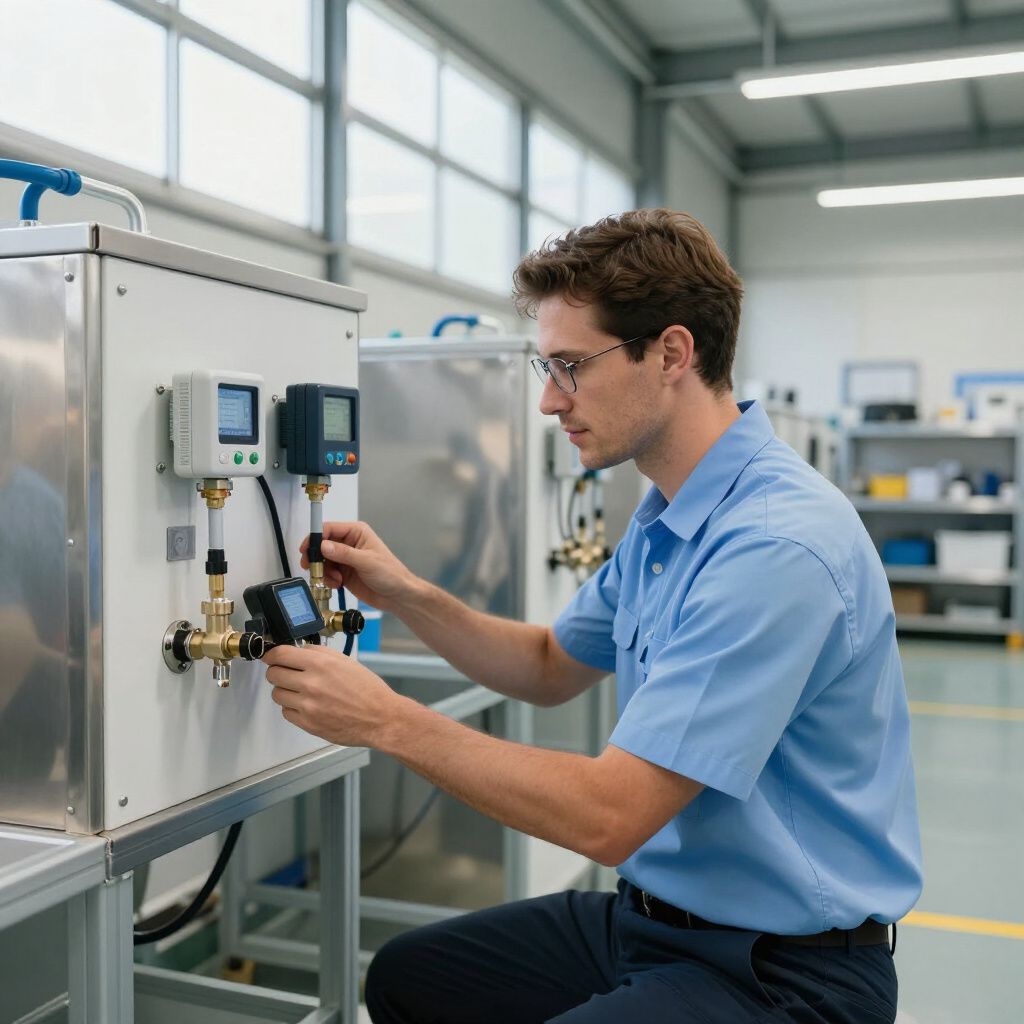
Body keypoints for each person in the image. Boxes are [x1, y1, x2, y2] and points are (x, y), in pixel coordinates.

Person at [263, 209, 922, 1023]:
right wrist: (403, 592)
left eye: (570, 367)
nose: (547, 401)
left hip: (783, 973)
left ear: (672, 354)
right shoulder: (667, 519)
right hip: (652, 924)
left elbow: (609, 815)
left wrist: (386, 721)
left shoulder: (776, 547)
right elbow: (546, 665)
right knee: (409, 977)